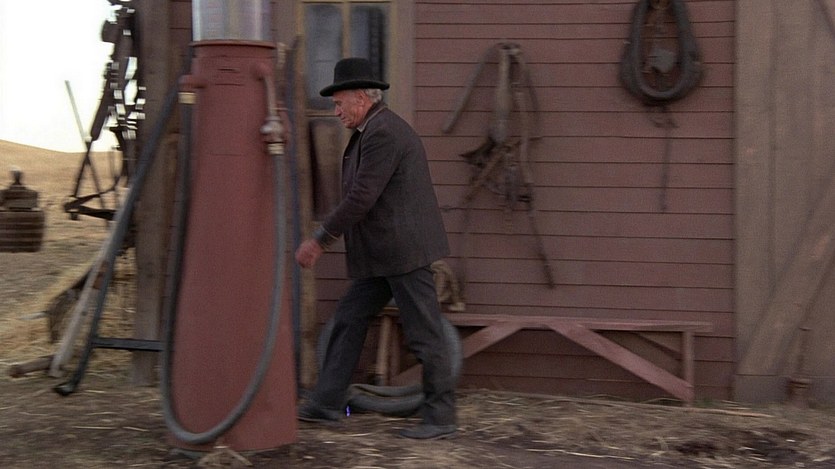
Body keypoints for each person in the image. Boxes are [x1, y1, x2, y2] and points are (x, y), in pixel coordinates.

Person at [295, 58, 457, 440]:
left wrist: (320, 239)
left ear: (361, 98)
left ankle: (440, 418)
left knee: (425, 335)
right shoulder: (372, 129)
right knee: (349, 319)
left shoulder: (383, 132)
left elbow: (361, 198)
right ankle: (327, 403)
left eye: (339, 103)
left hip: (404, 252)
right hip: (385, 253)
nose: (335, 111)